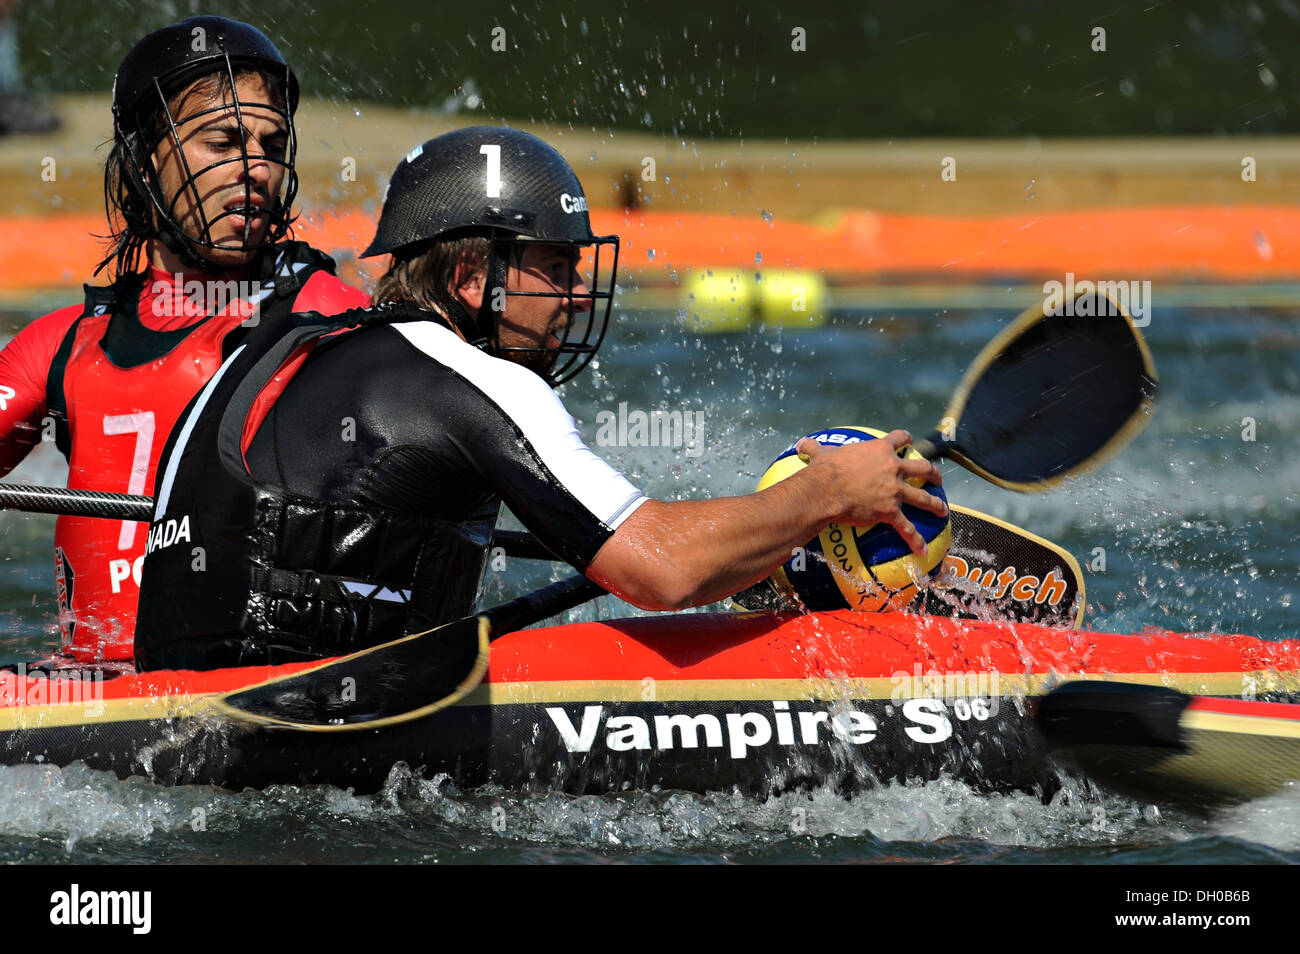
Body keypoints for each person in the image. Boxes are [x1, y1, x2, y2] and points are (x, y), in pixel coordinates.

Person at [133, 126, 946, 672]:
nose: (575, 291)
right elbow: (663, 570)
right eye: (553, 266)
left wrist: (760, 551)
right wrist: (825, 495)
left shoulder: (284, 348)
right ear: (469, 277)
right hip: (301, 733)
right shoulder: (474, 379)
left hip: (170, 711)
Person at [0, 16, 368, 666]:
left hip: (250, 692)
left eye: (272, 144)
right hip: (83, 714)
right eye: (223, 141)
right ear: (146, 158)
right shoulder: (61, 346)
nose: (255, 168)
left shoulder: (328, 317)